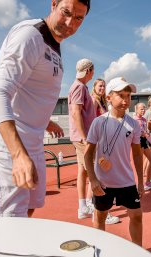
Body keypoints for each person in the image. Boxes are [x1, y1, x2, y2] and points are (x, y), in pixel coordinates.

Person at [0, 0, 90, 217]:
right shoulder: (30, 36)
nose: (70, 23)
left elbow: (30, 91)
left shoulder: (55, 46)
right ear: (54, 4)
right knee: (6, 219)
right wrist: (17, 154)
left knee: (29, 208)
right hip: (7, 144)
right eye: (66, 12)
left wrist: (46, 121)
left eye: (78, 18)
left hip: (34, 139)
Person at [84, 77, 144, 245]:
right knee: (100, 216)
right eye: (120, 95)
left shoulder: (133, 124)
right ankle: (99, 250)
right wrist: (93, 179)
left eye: (128, 96)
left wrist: (140, 181)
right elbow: (88, 154)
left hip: (127, 181)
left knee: (137, 216)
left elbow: (138, 155)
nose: (126, 100)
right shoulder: (99, 122)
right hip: (103, 183)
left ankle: (138, 253)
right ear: (109, 97)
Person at [68, 58, 96, 220]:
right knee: (94, 172)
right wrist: (85, 137)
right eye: (92, 70)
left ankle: (84, 207)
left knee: (84, 171)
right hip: (82, 138)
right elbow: (76, 112)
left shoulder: (80, 87)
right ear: (88, 71)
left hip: (81, 137)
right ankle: (97, 209)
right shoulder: (79, 87)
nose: (93, 73)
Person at [89, 78, 120, 224]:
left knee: (100, 170)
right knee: (98, 172)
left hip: (102, 140)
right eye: (100, 86)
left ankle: (96, 205)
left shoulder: (101, 102)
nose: (102, 88)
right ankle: (98, 209)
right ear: (94, 87)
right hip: (97, 140)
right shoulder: (94, 101)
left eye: (104, 86)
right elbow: (91, 120)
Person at [134, 103, 151, 191]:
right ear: (136, 110)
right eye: (141, 109)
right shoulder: (134, 120)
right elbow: (134, 132)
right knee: (139, 164)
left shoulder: (144, 119)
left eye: (144, 109)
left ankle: (147, 181)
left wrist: (149, 135)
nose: (143, 110)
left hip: (144, 141)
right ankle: (138, 185)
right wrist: (143, 134)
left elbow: (144, 131)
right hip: (138, 142)